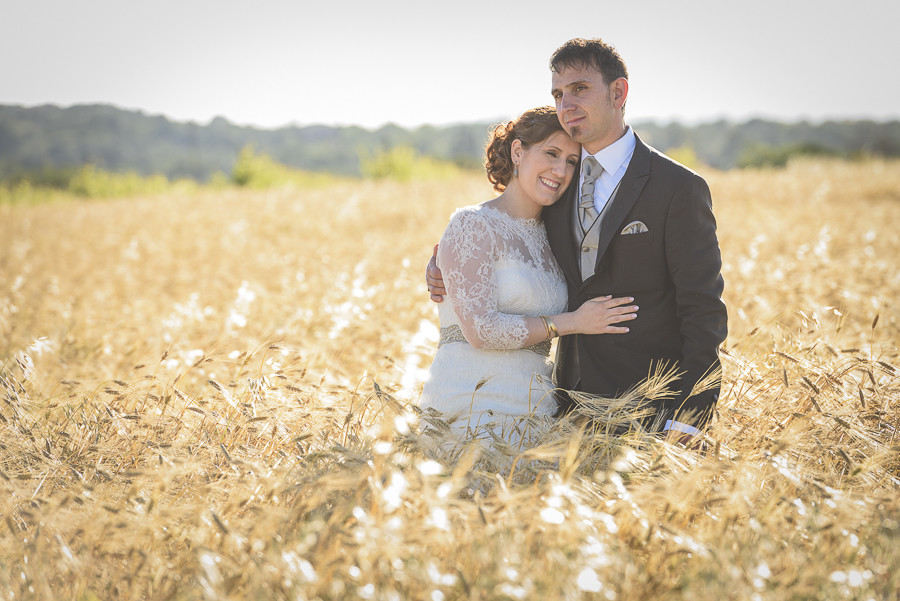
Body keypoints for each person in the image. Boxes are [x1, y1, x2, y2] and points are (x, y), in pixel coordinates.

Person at [427, 38, 727, 441]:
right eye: (558, 93)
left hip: (650, 409)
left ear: (618, 92)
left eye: (580, 89)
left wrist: (691, 413)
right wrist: (440, 265)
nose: (565, 104)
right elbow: (496, 239)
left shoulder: (678, 188)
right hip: (560, 410)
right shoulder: (554, 188)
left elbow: (702, 310)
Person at [419, 106, 638, 443]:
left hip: (535, 410)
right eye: (551, 153)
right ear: (518, 152)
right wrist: (573, 322)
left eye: (571, 162)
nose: (560, 170)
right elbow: (481, 331)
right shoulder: (472, 224)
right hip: (471, 405)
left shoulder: (558, 238)